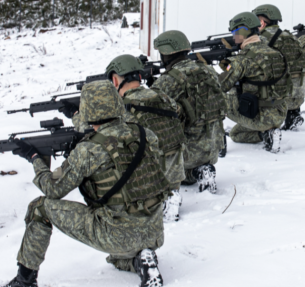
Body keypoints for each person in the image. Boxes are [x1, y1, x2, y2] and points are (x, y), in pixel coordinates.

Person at [3, 81, 170, 287]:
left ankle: (24, 281)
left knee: (39, 208)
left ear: (87, 111)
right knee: (117, 259)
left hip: (116, 234)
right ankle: (142, 259)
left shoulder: (88, 150)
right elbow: (115, 139)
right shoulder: (146, 135)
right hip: (153, 230)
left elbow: (52, 189)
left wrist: (35, 158)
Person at [105, 54, 186, 222]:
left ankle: (155, 199)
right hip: (175, 172)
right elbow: (178, 111)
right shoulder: (162, 97)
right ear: (139, 76)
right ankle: (171, 193)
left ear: (115, 81)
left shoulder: (120, 109)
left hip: (148, 179)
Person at [152, 30, 226, 195]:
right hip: (213, 148)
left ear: (166, 53)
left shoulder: (167, 81)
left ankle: (189, 174)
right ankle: (199, 171)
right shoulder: (209, 71)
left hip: (186, 153)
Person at [218, 12, 289, 153]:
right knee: (235, 134)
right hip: (280, 113)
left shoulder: (243, 59)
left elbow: (220, 85)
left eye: (234, 32)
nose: (233, 36)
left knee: (216, 98)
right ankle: (267, 134)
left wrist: (206, 68)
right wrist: (227, 64)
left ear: (244, 31)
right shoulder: (275, 52)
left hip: (259, 116)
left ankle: (217, 142)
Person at [253, 4, 305, 131]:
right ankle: (292, 114)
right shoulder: (291, 37)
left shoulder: (261, 39)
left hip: (278, 100)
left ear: (262, 22)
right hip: (298, 97)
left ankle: (257, 124)